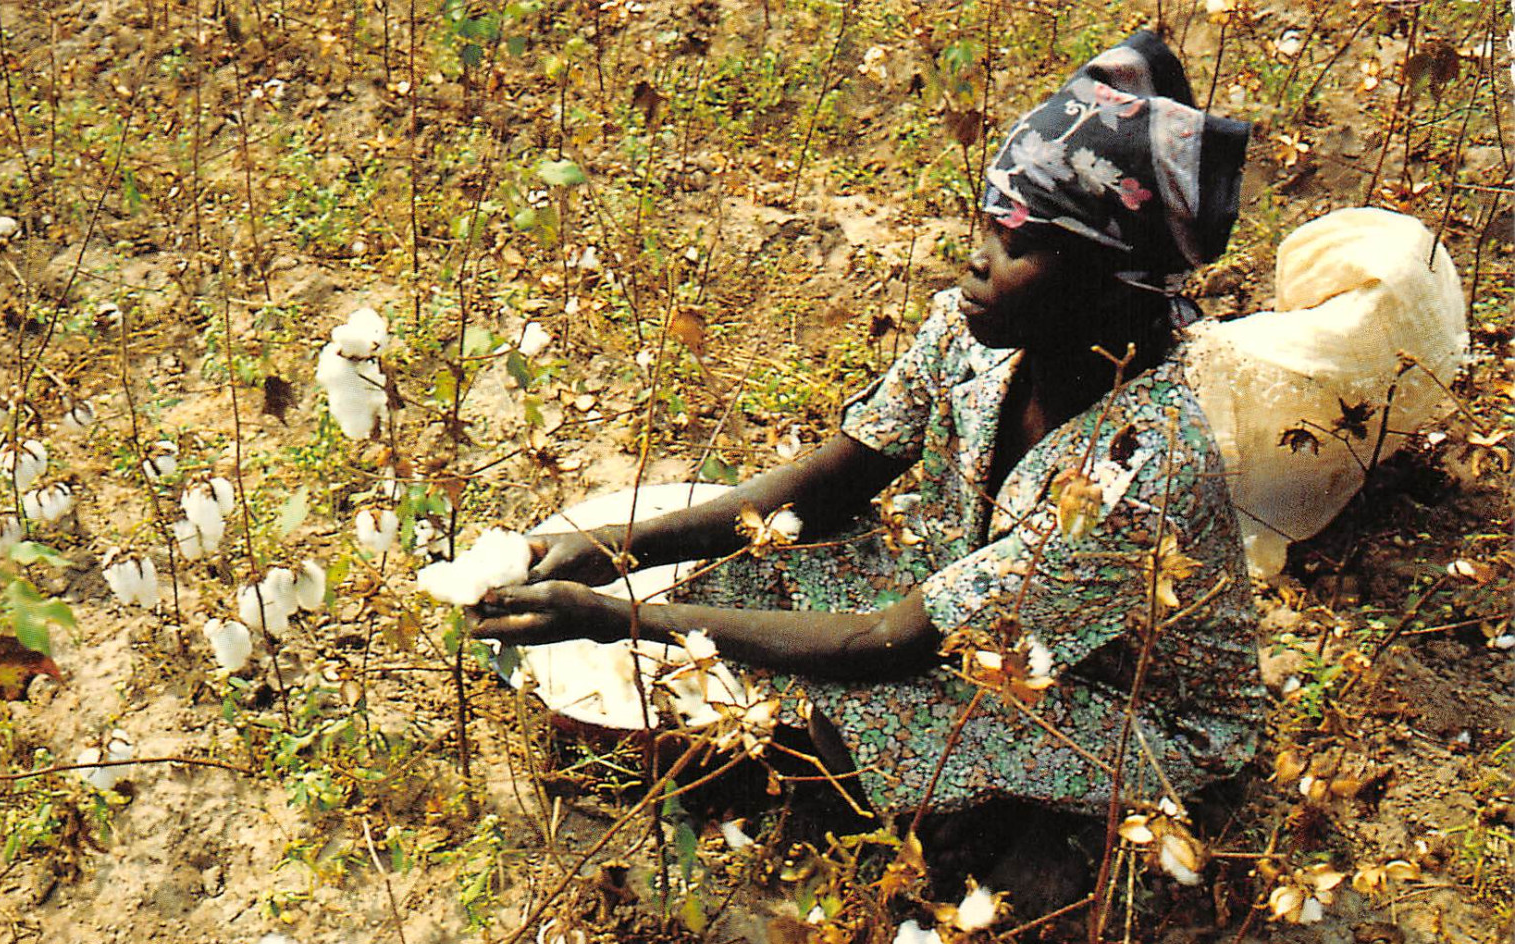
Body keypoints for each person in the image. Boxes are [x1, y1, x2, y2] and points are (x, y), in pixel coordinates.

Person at [470, 31, 1265, 821]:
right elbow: (829, 483)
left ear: (1114, 287)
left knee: (855, 728)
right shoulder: (969, 334)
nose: (978, 257)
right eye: (988, 220)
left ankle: (967, 820)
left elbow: (896, 639)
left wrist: (622, 618)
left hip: (1115, 701)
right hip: (963, 598)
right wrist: (617, 547)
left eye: (1019, 241)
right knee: (738, 578)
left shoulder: (1139, 463)